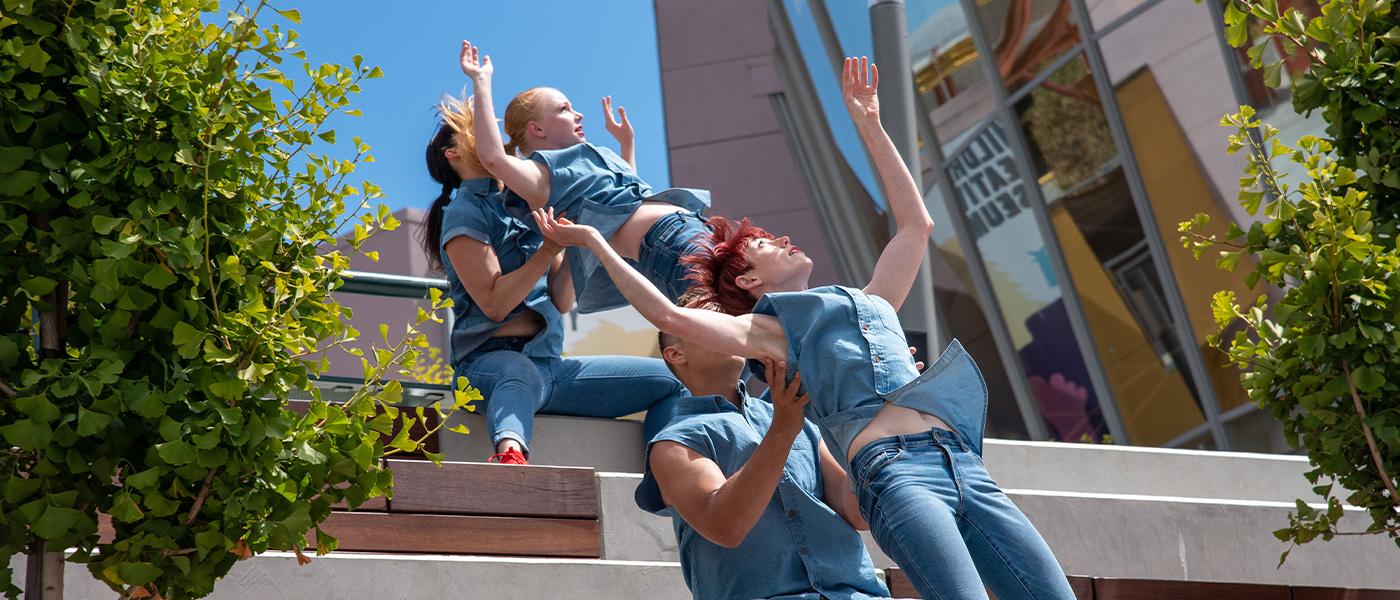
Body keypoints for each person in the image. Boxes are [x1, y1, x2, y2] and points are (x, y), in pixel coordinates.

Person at [533, 58, 1075, 600]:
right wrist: (596, 243)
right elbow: (669, 317)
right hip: (895, 474)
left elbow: (916, 224)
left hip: (960, 460)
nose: (783, 239)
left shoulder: (871, 305)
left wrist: (870, 124)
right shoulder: (773, 332)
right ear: (746, 278)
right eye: (765, 243)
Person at [420, 93, 688, 465]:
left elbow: (563, 298)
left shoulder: (528, 200)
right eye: (476, 131)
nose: (491, 136)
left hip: (552, 366)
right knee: (517, 372)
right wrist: (547, 250)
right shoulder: (463, 212)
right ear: (454, 153)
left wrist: (624, 152)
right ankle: (511, 458)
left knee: (675, 378)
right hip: (486, 366)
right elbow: (495, 305)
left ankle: (669, 477)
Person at [637, 292, 891, 600]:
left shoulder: (792, 416)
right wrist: (782, 432)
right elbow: (725, 527)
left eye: (731, 318)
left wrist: (874, 415)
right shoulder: (673, 443)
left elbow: (859, 514)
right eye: (709, 318)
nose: (729, 324)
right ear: (675, 354)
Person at [459, 41, 713, 314]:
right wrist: (481, 81)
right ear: (537, 128)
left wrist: (627, 145)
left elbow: (623, 204)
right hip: (672, 243)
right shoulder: (542, 175)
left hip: (698, 230)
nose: (578, 114)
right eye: (563, 109)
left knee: (755, 320)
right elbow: (493, 158)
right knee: (742, 324)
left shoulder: (585, 163)